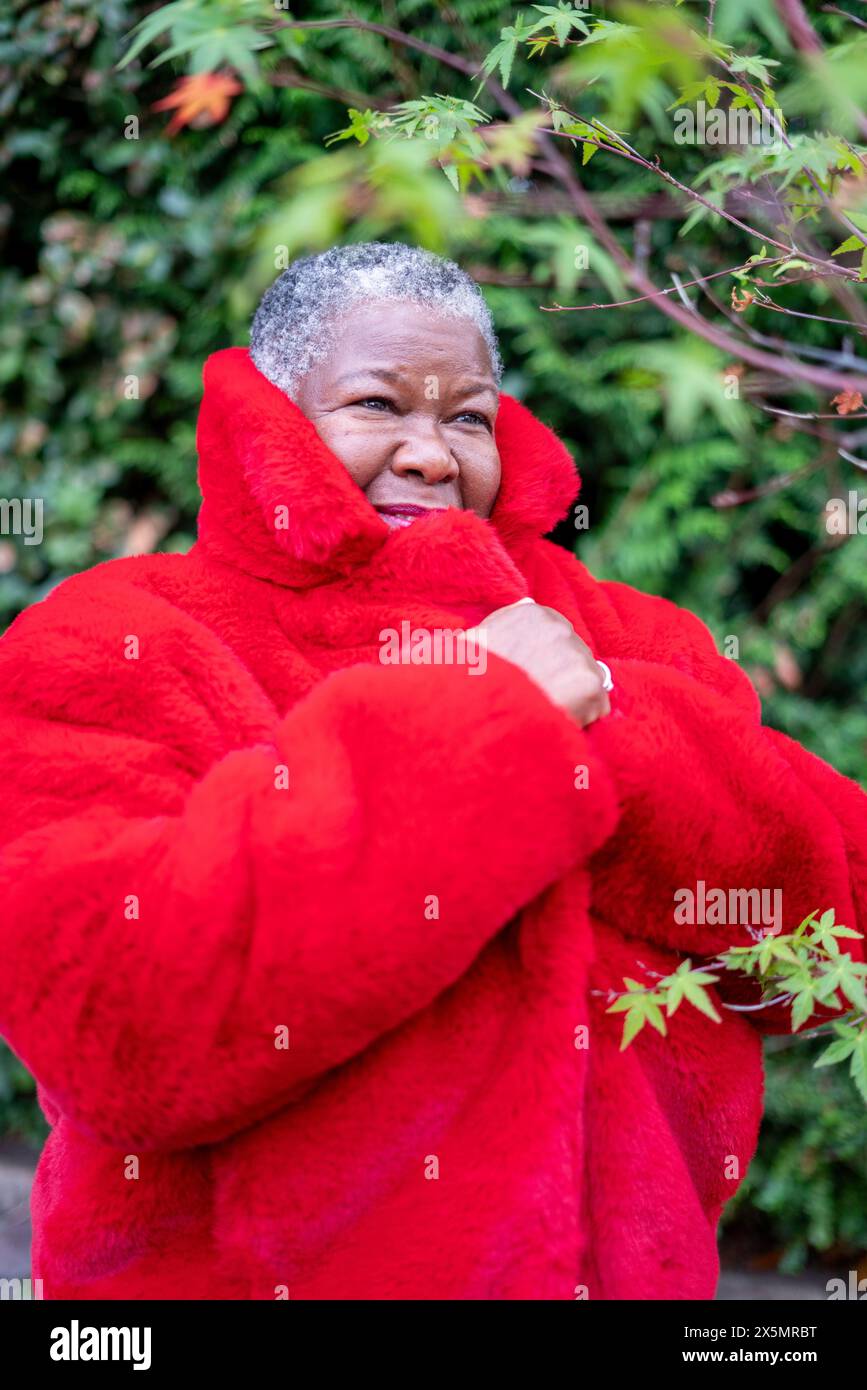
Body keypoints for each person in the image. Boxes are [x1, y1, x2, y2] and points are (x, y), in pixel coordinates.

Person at [0, 242, 864, 1300]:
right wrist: (494, 725)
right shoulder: (116, 637)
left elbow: (832, 937)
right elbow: (117, 1027)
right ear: (275, 414)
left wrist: (607, 719)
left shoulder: (624, 638)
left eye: (468, 416)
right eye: (376, 403)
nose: (430, 454)